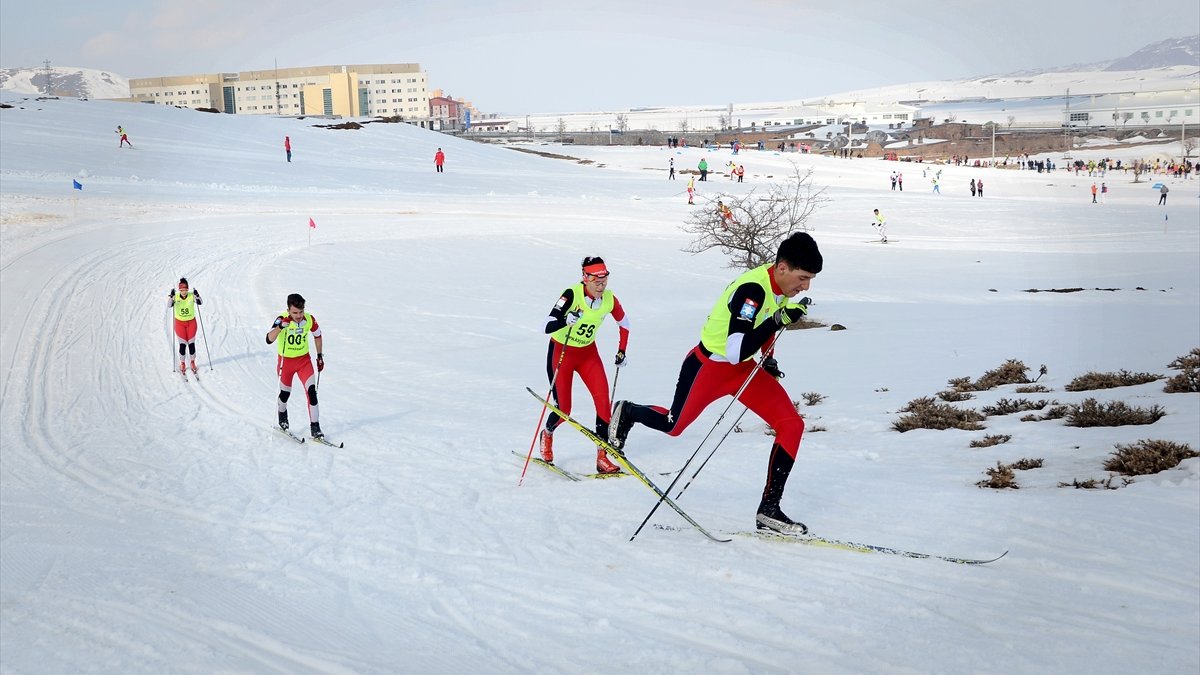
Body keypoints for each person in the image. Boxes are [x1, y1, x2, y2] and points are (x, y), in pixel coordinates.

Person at [609, 232, 822, 534]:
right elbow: (735, 350)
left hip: (743, 371)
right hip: (708, 367)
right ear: (782, 267)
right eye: (803, 278)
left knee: (791, 425)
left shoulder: (780, 287)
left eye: (810, 280)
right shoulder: (752, 291)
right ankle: (628, 411)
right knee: (673, 426)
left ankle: (769, 511)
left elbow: (764, 325)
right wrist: (777, 321)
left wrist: (769, 359)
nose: (805, 287)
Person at [540, 257, 630, 474]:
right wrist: (564, 320)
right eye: (596, 281)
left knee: (604, 404)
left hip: (588, 354)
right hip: (562, 353)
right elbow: (545, 325)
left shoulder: (609, 299)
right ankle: (547, 434)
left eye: (604, 280)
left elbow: (624, 323)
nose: (601, 286)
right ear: (585, 278)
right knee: (564, 409)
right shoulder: (571, 294)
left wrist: (622, 350)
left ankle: (602, 457)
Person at [266, 293, 326, 439]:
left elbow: (318, 335)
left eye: (301, 312)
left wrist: (319, 356)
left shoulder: (309, 319)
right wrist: (280, 327)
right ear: (288, 310)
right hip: (286, 363)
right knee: (285, 394)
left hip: (304, 361)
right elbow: (269, 339)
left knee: (312, 393)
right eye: (295, 313)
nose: (298, 316)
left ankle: (315, 427)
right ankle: (282, 414)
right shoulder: (281, 319)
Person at [168, 278, 203, 373]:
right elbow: (169, 305)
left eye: (185, 290)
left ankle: (192, 362)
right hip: (179, 323)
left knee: (191, 344)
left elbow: (200, 302)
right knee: (182, 345)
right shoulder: (176, 297)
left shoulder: (191, 296)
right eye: (182, 290)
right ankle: (182, 363)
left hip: (191, 323)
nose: (184, 292)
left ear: (188, 289)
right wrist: (171, 296)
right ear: (179, 290)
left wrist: (197, 295)